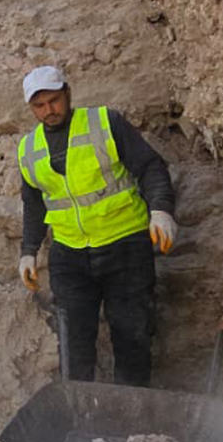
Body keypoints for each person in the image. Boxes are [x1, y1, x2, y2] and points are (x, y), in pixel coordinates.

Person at [16, 65, 177, 387]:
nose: (49, 110)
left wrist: (160, 210)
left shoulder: (105, 122)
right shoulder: (28, 149)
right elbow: (35, 205)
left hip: (125, 246)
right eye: (40, 105)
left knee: (132, 334)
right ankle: (83, 420)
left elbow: (150, 166)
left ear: (68, 93)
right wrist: (29, 251)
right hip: (70, 254)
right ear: (31, 108)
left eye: (54, 101)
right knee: (73, 342)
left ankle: (133, 421)